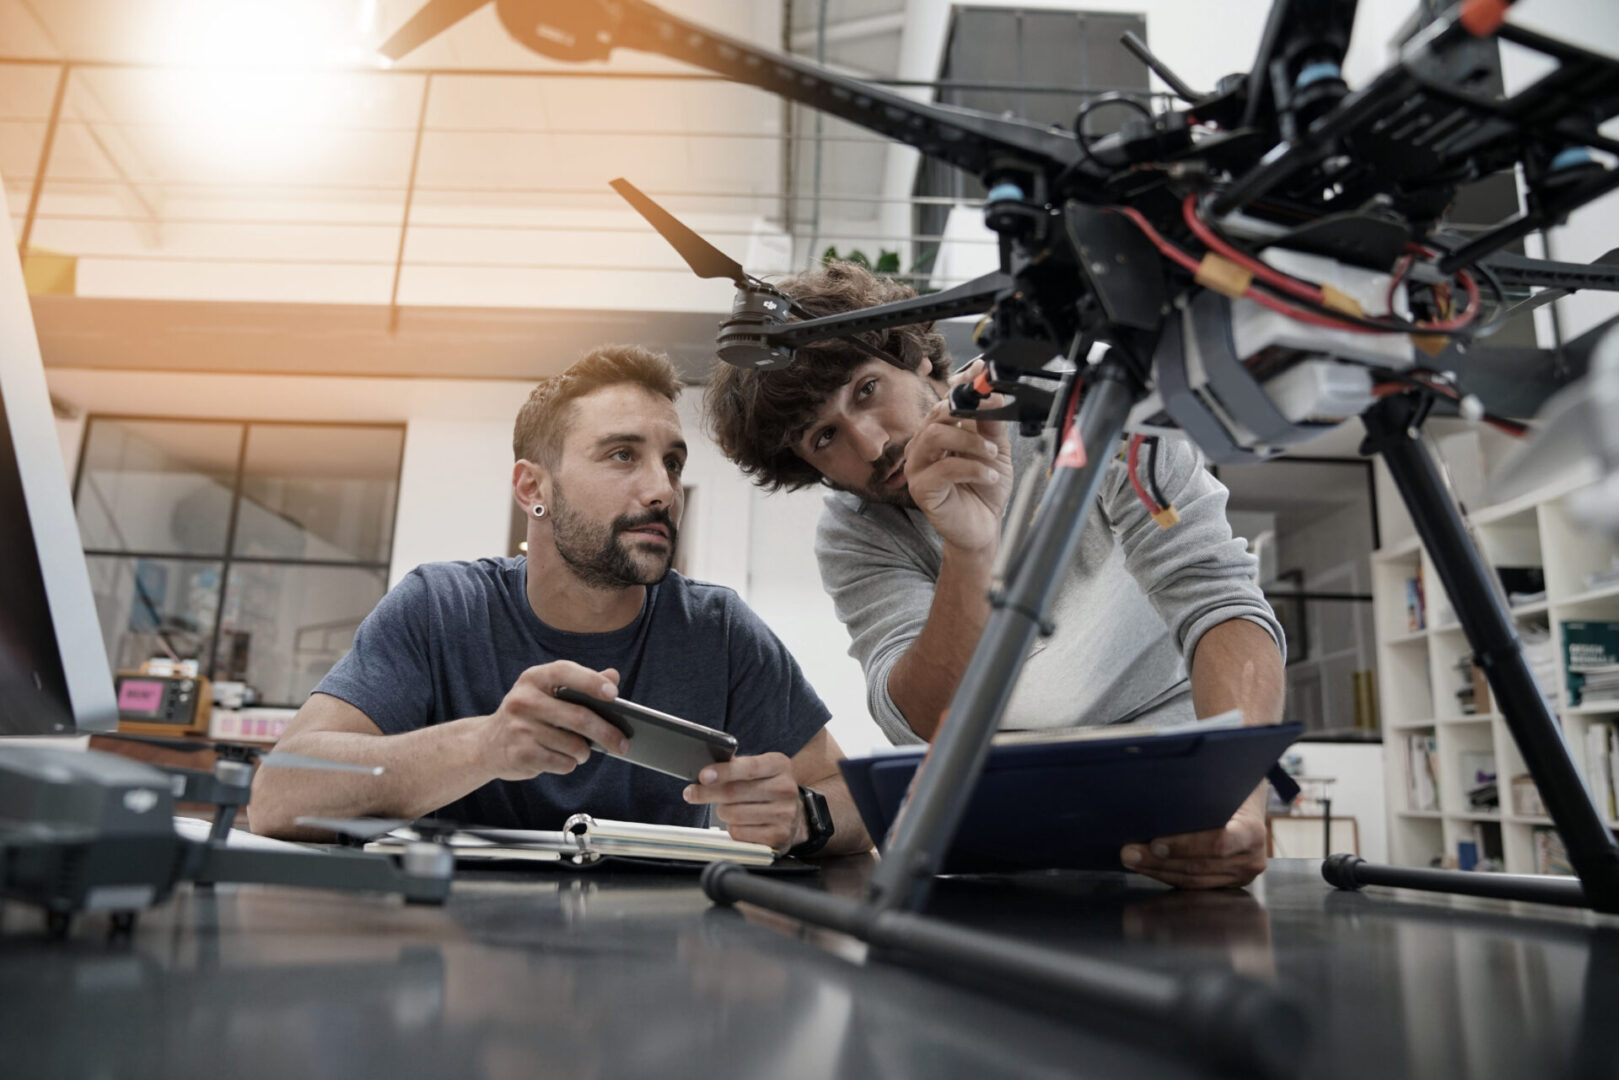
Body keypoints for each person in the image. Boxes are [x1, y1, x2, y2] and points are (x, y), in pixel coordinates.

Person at [705, 262, 1285, 888]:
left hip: (1171, 764)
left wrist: (1238, 796)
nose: (870, 446)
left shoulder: (1091, 408)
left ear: (920, 359)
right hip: (1002, 789)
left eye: (867, 391)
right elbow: (918, 720)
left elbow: (1218, 597)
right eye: (824, 438)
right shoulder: (856, 531)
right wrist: (970, 548)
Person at [252, 345, 869, 859]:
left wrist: (802, 817)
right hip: (458, 952)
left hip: (649, 960)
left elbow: (855, 806)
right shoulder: (440, 608)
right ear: (533, 487)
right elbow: (277, 797)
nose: (663, 490)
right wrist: (483, 746)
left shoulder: (718, 629)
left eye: (672, 462)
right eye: (623, 455)